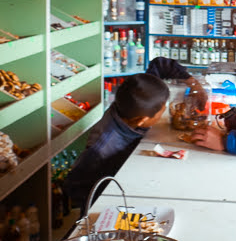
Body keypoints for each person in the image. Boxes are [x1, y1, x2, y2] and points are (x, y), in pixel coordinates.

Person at [63, 57, 205, 213]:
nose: (165, 111)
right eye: (161, 111)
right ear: (142, 120)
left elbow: (159, 63)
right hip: (107, 204)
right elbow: (75, 184)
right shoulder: (103, 146)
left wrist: (194, 84)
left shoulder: (141, 96)